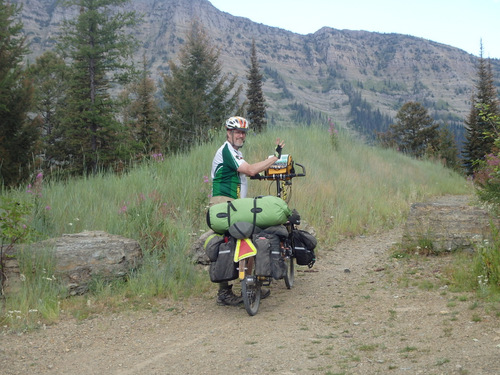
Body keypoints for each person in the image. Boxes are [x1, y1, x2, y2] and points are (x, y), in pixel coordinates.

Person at [210, 116, 285, 306]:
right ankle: (226, 291)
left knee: (247, 238)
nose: (240, 135)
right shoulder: (227, 150)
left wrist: (263, 170)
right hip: (224, 203)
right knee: (234, 240)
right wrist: (275, 158)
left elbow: (247, 172)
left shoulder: (235, 153)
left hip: (234, 204)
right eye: (237, 132)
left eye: (243, 133)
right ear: (228, 133)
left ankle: (248, 284)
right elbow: (250, 170)